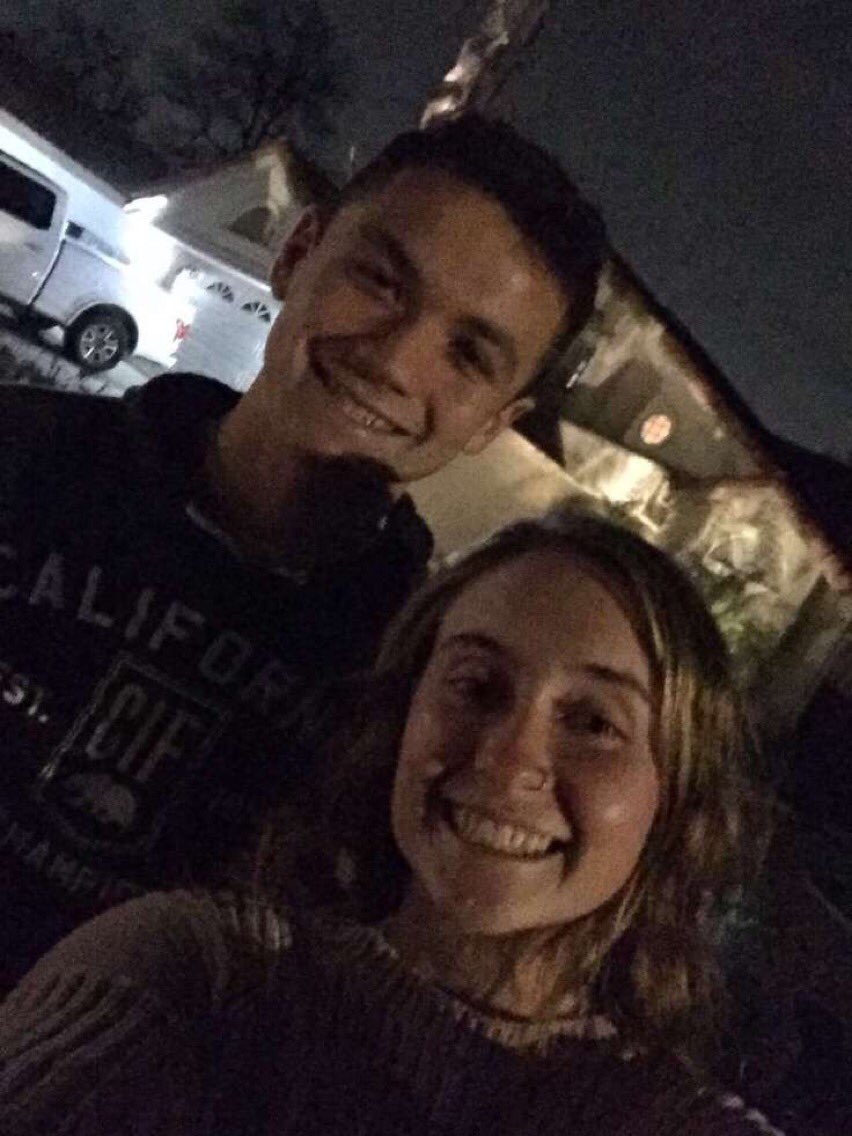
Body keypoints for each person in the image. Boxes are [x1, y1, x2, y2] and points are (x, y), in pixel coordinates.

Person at [0, 114, 607, 984]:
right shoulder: (21, 451)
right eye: (380, 280)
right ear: (297, 254)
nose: (395, 359)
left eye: (470, 354)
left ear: (495, 422)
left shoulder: (417, 685)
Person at [0, 513, 784, 1135]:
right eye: (476, 686)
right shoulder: (188, 976)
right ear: (403, 716)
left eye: (593, 723)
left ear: (675, 797)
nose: (508, 760)